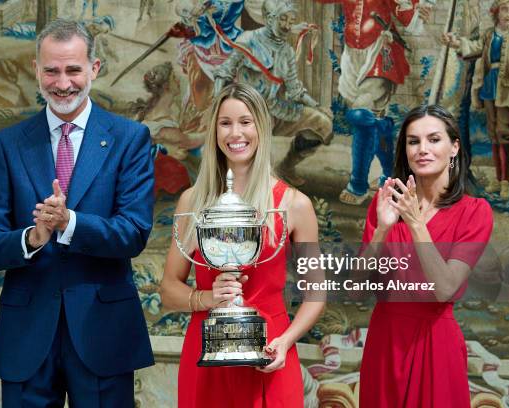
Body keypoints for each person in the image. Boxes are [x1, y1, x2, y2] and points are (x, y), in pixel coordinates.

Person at [0, 19, 154, 407]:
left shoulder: (129, 139)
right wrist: (32, 237)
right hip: (26, 338)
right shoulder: (6, 145)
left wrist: (69, 223)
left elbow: (134, 233)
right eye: (51, 71)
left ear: (94, 69)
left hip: (103, 335)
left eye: (73, 69)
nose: (62, 82)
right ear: (36, 70)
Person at [159, 82, 325, 407]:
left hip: (270, 351)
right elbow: (168, 290)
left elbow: (316, 294)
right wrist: (207, 297)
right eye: (225, 123)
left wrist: (286, 341)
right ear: (214, 131)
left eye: (245, 122)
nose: (236, 133)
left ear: (261, 127)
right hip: (206, 351)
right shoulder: (192, 201)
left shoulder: (295, 204)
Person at [358, 105, 493, 407]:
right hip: (385, 344)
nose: (422, 149)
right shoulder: (384, 205)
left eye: (434, 139)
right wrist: (382, 229)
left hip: (436, 344)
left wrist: (416, 224)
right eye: (413, 141)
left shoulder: (475, 212)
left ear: (454, 147)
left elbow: (445, 288)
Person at [316, 0, 431, 205]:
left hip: (379, 53)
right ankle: (392, 174)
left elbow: (408, 19)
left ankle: (358, 185)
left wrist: (417, 8)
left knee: (361, 115)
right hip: (353, 57)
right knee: (376, 120)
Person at [213, 0, 333, 187]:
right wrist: (218, 107)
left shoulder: (287, 51)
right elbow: (223, 72)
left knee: (323, 124)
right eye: (282, 19)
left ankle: (287, 166)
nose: (287, 25)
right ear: (269, 19)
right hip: (249, 112)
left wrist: (318, 107)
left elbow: (295, 90)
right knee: (262, 169)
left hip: (277, 109)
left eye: (291, 21)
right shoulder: (248, 40)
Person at [442, 0, 509, 201]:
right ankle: (497, 179)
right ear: (497, 12)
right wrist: (456, 42)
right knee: (493, 134)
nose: (508, 14)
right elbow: (474, 47)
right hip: (489, 88)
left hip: (507, 90)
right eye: (505, 9)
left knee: (504, 134)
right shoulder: (488, 34)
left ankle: (506, 181)